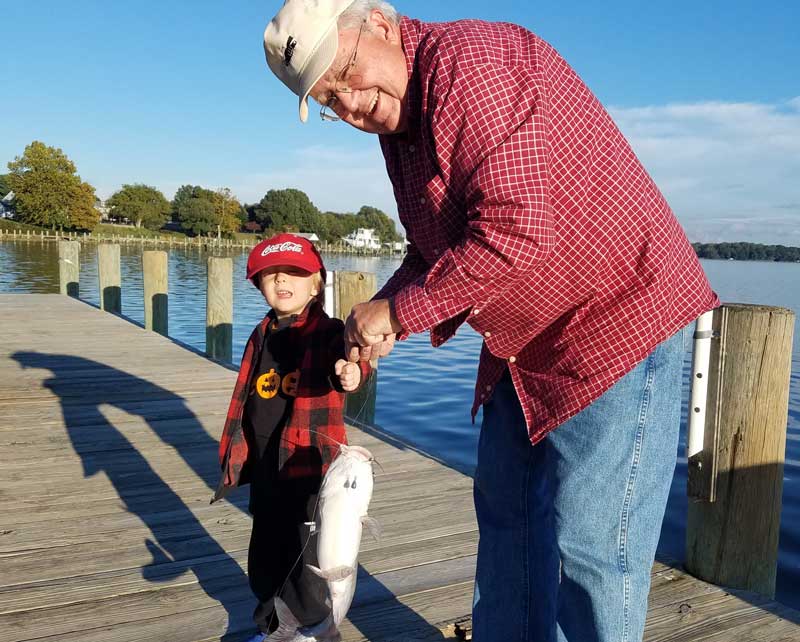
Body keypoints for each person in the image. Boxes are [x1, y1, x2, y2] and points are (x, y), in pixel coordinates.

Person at [262, 2, 720, 640]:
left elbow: (512, 234)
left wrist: (398, 310)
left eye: (347, 72)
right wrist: (380, 321)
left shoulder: (472, 66)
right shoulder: (401, 131)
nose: (352, 104)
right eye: (331, 99)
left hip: (617, 319)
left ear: (378, 23)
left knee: (594, 550)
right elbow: (432, 249)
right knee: (506, 517)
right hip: (526, 339)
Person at [211, 233, 370, 641]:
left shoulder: (330, 331)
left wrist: (352, 373)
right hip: (265, 465)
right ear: (259, 284)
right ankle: (272, 626)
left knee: (308, 558)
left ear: (316, 283)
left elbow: (354, 360)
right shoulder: (260, 333)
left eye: (294, 273)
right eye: (271, 275)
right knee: (265, 555)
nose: (282, 281)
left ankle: (316, 628)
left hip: (309, 468)